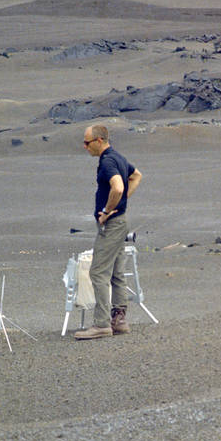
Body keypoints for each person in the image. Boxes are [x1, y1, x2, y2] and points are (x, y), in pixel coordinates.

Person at [75, 125, 142, 340]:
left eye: (87, 142)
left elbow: (118, 187)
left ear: (99, 140)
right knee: (116, 272)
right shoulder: (118, 157)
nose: (84, 147)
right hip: (120, 221)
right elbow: (137, 176)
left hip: (112, 224)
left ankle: (102, 324)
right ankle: (119, 320)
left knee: (98, 272)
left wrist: (107, 210)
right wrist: (121, 203)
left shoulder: (107, 161)